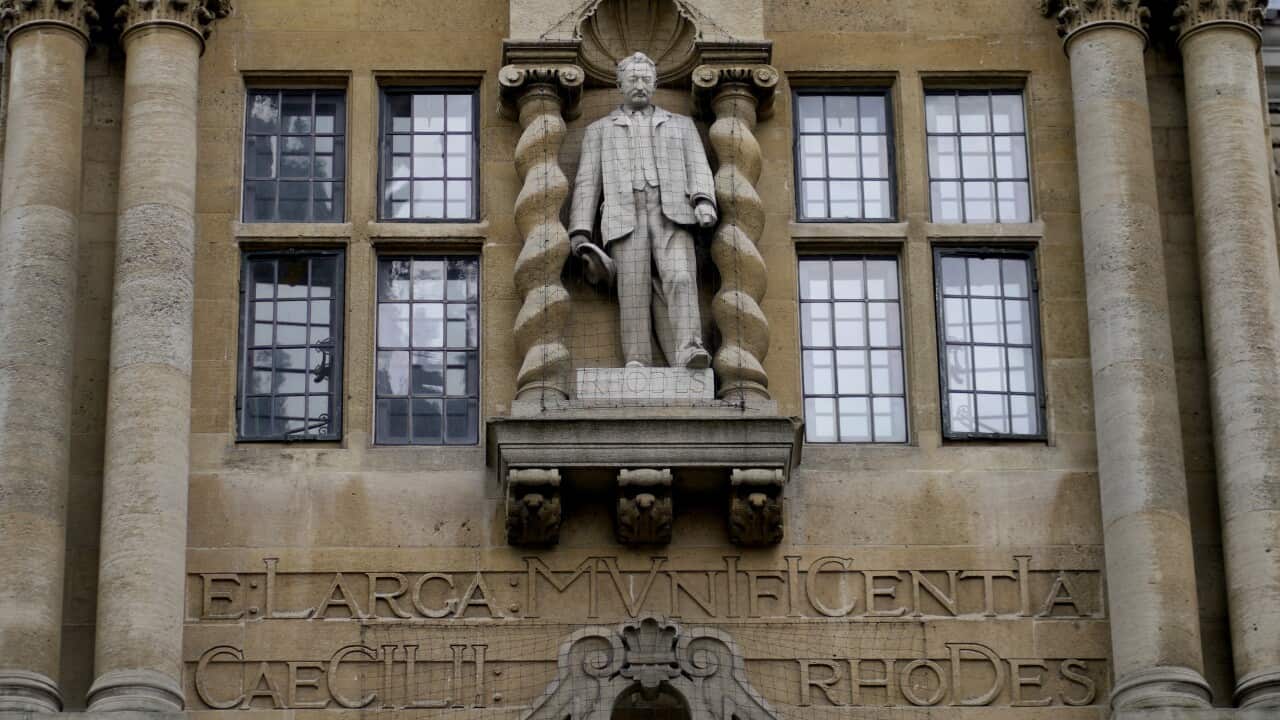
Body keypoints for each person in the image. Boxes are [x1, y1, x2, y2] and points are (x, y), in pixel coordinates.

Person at [569, 51, 718, 369]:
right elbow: (586, 182)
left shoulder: (681, 125)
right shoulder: (600, 130)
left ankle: (690, 348)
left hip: (673, 213)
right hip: (625, 216)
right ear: (620, 84)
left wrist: (704, 200)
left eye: (646, 79)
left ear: (655, 83)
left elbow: (698, 166)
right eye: (633, 79)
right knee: (633, 289)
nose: (640, 84)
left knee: (680, 277)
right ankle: (637, 359)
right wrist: (580, 232)